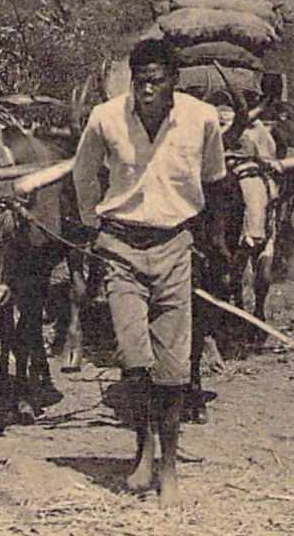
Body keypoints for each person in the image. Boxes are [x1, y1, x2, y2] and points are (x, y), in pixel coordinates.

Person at [72, 39, 230, 505]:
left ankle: (170, 467)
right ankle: (143, 449)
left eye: (156, 80)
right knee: (133, 356)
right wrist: (91, 222)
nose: (146, 88)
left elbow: (215, 180)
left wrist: (210, 241)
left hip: (174, 247)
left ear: (173, 81)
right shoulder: (105, 117)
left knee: (174, 367)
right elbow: (83, 175)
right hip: (120, 245)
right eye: (139, 79)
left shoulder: (201, 119)